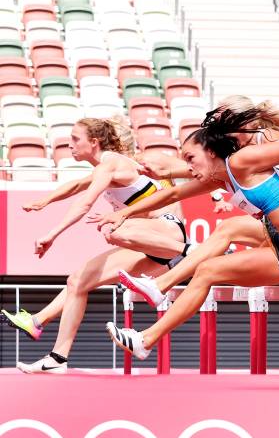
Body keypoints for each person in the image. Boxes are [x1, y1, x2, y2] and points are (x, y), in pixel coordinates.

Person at [102, 106, 279, 359]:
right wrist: (123, 213)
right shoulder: (223, 178)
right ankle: (160, 286)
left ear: (211, 152)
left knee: (207, 270)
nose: (189, 167)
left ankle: (146, 339)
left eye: (191, 158)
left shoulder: (240, 161)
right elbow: (172, 193)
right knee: (229, 227)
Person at [115, 97, 279, 307]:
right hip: (275, 219)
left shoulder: (265, 139)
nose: (220, 132)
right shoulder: (235, 156)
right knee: (232, 239)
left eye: (225, 124)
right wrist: (167, 173)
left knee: (234, 233)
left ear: (245, 123)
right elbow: (206, 173)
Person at [1, 118, 189, 374]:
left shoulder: (113, 163)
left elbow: (84, 203)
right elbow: (76, 185)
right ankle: (56, 357)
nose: (69, 144)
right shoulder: (104, 167)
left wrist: (52, 234)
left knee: (114, 228)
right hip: (145, 246)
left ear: (94, 142)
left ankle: (191, 251)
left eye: (76, 139)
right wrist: (45, 200)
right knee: (77, 281)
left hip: (167, 233)